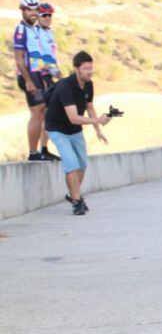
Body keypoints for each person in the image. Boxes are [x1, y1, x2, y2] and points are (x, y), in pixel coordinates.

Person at [44, 51, 110, 216]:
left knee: (82, 164)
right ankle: (77, 201)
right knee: (71, 164)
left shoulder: (88, 84)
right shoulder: (66, 86)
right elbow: (73, 117)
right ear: (76, 69)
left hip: (74, 130)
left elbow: (89, 107)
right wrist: (97, 120)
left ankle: (72, 194)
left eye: (91, 68)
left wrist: (98, 130)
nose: (89, 72)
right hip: (57, 128)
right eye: (86, 69)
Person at [12, 0, 61, 162]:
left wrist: (53, 69)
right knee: (38, 110)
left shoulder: (35, 30)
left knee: (48, 111)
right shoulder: (21, 29)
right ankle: (33, 152)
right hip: (29, 75)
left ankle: (44, 149)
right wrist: (28, 80)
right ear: (23, 11)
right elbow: (19, 58)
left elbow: (43, 55)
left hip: (41, 74)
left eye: (35, 10)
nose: (33, 13)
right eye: (29, 10)